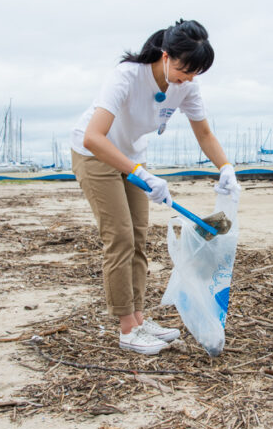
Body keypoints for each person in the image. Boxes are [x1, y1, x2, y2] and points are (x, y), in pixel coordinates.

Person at [70, 19, 240, 355]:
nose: (187, 79)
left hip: (132, 157)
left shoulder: (187, 87)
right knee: (119, 237)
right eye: (183, 69)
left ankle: (138, 319)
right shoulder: (127, 76)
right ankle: (126, 329)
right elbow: (94, 136)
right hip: (94, 154)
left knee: (139, 236)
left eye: (195, 74)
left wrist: (226, 167)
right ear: (165, 55)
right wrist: (142, 175)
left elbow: (205, 134)